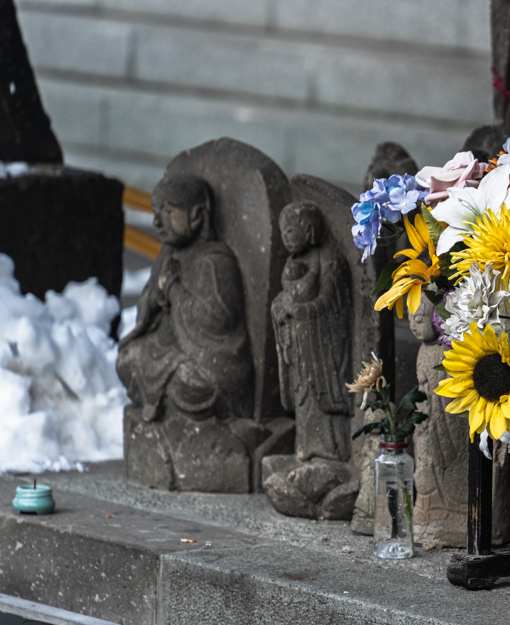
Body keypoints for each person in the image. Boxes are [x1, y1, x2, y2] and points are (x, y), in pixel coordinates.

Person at [117, 173, 253, 422]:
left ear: (197, 215)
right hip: (167, 349)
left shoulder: (214, 261)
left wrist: (175, 291)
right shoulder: (167, 255)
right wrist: (155, 297)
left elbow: (217, 321)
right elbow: (147, 306)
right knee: (127, 360)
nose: (157, 222)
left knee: (189, 382)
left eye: (167, 212)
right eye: (155, 212)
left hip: (206, 358)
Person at [271, 201, 353, 462]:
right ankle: (305, 447)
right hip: (299, 342)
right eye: (283, 234)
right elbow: (286, 296)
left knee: (319, 396)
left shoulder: (329, 258)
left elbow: (331, 302)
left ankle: (331, 449)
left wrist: (298, 310)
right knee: (302, 393)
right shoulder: (292, 261)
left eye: (291, 232)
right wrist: (280, 308)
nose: (287, 239)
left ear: (308, 229)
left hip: (323, 347)